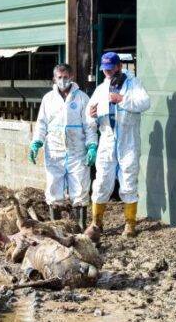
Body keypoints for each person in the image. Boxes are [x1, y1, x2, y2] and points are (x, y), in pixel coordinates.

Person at [87, 52, 150, 237]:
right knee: (101, 182)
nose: (107, 72)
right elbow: (89, 116)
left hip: (128, 140)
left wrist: (121, 100)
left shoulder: (134, 84)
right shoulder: (101, 89)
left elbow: (145, 102)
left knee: (129, 180)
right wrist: (91, 115)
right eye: (104, 69)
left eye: (110, 68)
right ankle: (96, 222)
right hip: (107, 139)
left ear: (119, 67)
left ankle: (130, 224)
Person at [29, 64, 97, 229]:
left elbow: (89, 125)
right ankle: (56, 226)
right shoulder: (48, 99)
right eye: (59, 77)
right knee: (54, 187)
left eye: (66, 77)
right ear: (54, 78)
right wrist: (36, 142)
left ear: (72, 77)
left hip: (77, 150)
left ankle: (81, 227)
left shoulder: (82, 98)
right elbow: (42, 123)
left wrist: (92, 145)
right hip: (55, 150)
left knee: (80, 187)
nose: (63, 80)